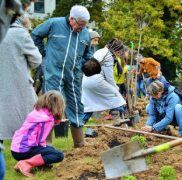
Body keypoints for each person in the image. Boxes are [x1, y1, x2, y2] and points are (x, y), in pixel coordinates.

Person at [32, 5, 93, 148]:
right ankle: (47, 142)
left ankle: (79, 141)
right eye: (80, 24)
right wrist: (44, 54)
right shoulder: (54, 24)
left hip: (73, 75)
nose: (82, 28)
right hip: (54, 72)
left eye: (85, 25)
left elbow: (87, 53)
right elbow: (36, 34)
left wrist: (88, 63)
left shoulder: (85, 34)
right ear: (71, 18)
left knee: (76, 104)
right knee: (51, 104)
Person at [0, 14, 42, 142]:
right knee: (25, 123)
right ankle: (26, 157)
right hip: (17, 84)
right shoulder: (20, 34)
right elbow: (36, 60)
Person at [11, 90, 65, 177]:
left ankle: (32, 164)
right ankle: (26, 163)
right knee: (58, 155)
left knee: (50, 149)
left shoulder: (38, 111)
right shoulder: (46, 119)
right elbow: (40, 140)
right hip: (23, 150)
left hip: (16, 148)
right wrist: (48, 154)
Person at [82, 38, 126, 123]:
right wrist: (115, 88)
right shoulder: (108, 56)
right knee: (116, 95)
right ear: (116, 49)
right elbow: (109, 76)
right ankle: (116, 118)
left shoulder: (100, 51)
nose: (119, 53)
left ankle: (81, 122)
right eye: (119, 51)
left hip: (86, 80)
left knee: (90, 102)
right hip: (96, 81)